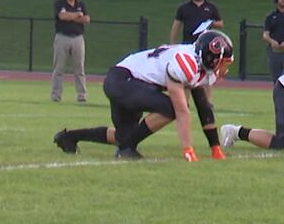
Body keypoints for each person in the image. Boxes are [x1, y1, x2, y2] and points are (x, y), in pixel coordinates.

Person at [53, 31, 234, 161]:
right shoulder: (185, 63)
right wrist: (188, 150)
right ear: (210, 58)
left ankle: (68, 137)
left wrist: (215, 147)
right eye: (224, 62)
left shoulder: (197, 65)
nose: (226, 67)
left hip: (129, 82)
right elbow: (181, 111)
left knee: (123, 137)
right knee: (172, 108)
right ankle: (126, 149)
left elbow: (203, 107)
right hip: (124, 80)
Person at [51, 0, 89, 103]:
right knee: (59, 68)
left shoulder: (81, 4)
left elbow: (86, 19)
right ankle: (56, 95)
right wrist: (77, 15)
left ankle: (81, 95)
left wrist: (70, 16)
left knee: (79, 68)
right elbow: (62, 16)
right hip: (62, 37)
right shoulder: (59, 4)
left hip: (78, 38)